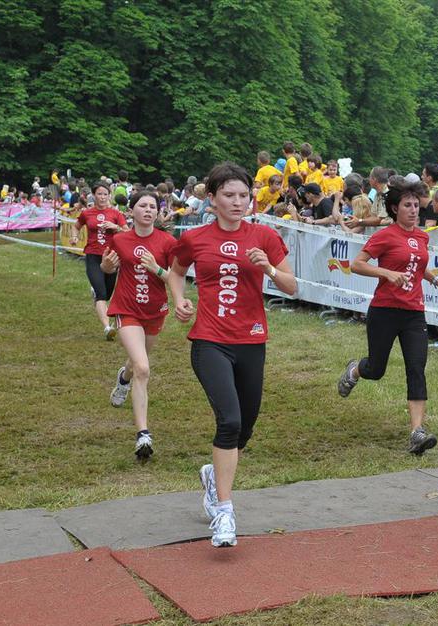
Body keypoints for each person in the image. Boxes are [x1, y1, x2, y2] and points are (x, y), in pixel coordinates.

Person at [166, 162, 297, 547]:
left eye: (243, 195)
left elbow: (291, 286)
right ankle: (224, 512)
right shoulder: (195, 238)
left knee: (245, 428)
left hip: (251, 342)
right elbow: (176, 271)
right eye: (229, 195)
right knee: (230, 421)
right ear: (212, 199)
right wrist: (179, 300)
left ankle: (213, 474)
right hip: (210, 342)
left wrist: (268, 268)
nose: (238, 202)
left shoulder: (265, 236)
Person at [337, 180, 438, 454]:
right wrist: (386, 273)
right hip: (385, 310)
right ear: (394, 209)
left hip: (414, 313)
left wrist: (435, 279)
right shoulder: (385, 236)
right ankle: (355, 369)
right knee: (376, 369)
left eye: (416, 205)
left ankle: (417, 432)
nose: (413, 210)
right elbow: (357, 264)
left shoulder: (422, 237)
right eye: (407, 205)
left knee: (416, 368)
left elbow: (416, 266)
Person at [100, 191, 177, 459]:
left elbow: (176, 279)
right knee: (143, 368)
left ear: (158, 212)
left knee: (136, 364)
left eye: (152, 206)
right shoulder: (120, 240)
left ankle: (124, 378)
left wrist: (157, 269)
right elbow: (108, 267)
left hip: (155, 311)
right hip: (127, 309)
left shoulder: (168, 242)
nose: (148, 210)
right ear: (131, 211)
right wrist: (106, 266)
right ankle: (143, 434)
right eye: (142, 206)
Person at [70, 181, 129, 340]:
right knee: (101, 292)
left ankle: (96, 293)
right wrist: (74, 237)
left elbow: (127, 232)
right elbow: (76, 226)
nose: (102, 197)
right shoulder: (87, 213)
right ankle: (107, 327)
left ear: (109, 196)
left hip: (111, 258)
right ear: (94, 195)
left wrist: (115, 227)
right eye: (99, 194)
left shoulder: (116, 214)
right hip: (93, 255)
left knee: (107, 293)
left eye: (105, 194)